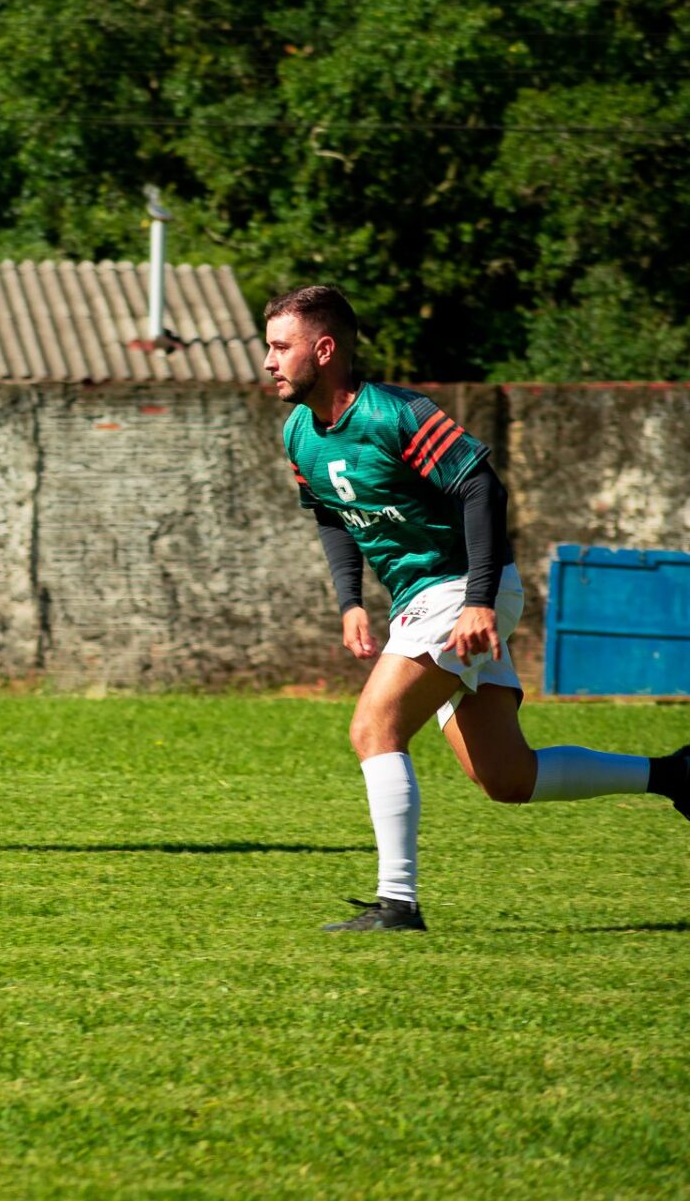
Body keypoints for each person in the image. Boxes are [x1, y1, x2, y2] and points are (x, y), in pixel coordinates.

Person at [267, 285, 687, 932]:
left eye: (280, 347)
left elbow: (481, 488)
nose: (268, 361)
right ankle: (673, 774)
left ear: (323, 351)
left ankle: (397, 904)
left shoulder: (395, 414)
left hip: (459, 591)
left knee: (374, 727)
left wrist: (479, 600)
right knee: (506, 776)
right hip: (426, 600)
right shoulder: (300, 431)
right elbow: (330, 515)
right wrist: (351, 601)